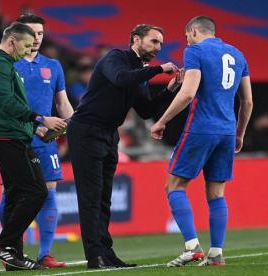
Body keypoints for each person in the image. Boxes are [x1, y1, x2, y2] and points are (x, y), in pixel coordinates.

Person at [67, 24, 181, 269]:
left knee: (104, 197)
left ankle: (106, 253)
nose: (158, 47)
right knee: (91, 197)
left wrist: (169, 90)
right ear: (135, 39)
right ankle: (94, 256)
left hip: (109, 134)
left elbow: (146, 110)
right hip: (86, 130)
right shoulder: (115, 58)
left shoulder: (140, 71)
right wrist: (158, 70)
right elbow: (121, 79)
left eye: (160, 43)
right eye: (153, 41)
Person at [151, 16, 253, 267]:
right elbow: (248, 101)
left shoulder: (194, 51)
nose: (187, 40)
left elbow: (187, 93)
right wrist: (239, 133)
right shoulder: (238, 54)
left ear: (194, 32)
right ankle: (216, 253)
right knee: (216, 192)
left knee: (174, 185)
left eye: (187, 36)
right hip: (227, 132)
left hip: (201, 128)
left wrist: (161, 120)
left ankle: (192, 247)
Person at [0, 22, 66, 270]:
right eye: (26, 45)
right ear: (12, 41)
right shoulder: (0, 64)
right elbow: (6, 101)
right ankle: (3, 245)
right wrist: (39, 118)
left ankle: (12, 254)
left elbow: (9, 103)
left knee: (17, 195)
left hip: (16, 136)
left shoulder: (2, 64)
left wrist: (33, 128)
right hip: (7, 138)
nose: (27, 51)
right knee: (37, 191)